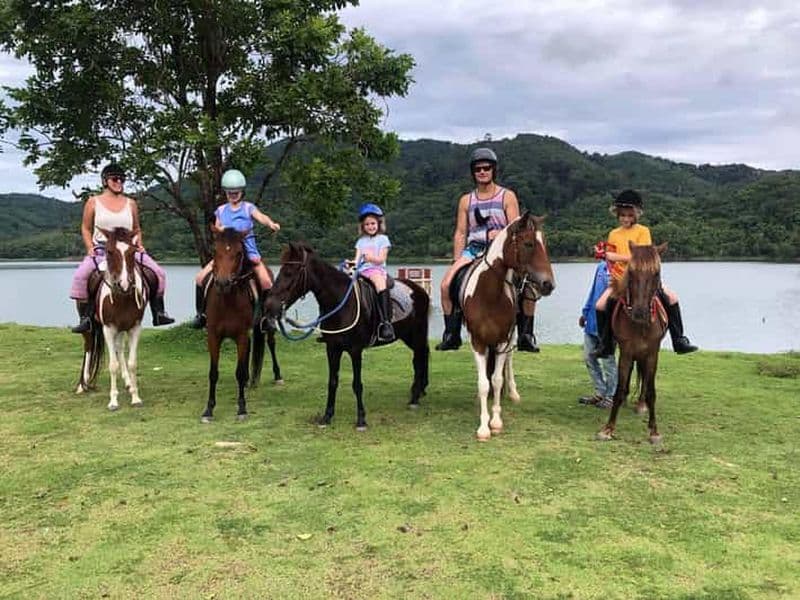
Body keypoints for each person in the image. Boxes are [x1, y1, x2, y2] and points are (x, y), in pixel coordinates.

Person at [437, 147, 539, 351]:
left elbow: (516, 228)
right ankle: (452, 333)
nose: (482, 172)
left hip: (501, 251)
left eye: (486, 168)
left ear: (494, 170)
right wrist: (457, 259)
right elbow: (460, 232)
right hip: (474, 249)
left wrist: (500, 235)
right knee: (446, 285)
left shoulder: (507, 196)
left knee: (529, 285)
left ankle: (526, 335)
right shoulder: (466, 200)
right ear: (473, 172)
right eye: (478, 169)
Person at [69, 163, 174, 333]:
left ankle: (159, 312)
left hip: (128, 250)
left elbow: (137, 229)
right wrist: (89, 247)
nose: (119, 182)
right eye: (115, 179)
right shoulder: (93, 202)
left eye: (122, 179)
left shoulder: (131, 203)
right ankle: (86, 318)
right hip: (103, 250)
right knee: (80, 277)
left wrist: (139, 243)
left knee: (159, 273)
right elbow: (86, 228)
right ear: (105, 181)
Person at [594, 189, 698, 356]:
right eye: (622, 215)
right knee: (600, 305)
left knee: (672, 298)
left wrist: (617, 256)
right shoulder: (613, 234)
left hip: (644, 278)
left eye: (629, 215)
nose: (626, 219)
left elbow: (644, 257)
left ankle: (678, 340)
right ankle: (605, 344)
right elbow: (609, 257)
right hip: (621, 279)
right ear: (618, 215)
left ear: (636, 215)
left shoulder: (643, 231)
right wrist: (611, 256)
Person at [190, 169, 280, 329]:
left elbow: (261, 217)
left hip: (249, 253)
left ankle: (267, 318)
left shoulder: (248, 208)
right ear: (226, 192)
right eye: (230, 192)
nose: (233, 195)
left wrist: (271, 223)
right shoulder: (221, 210)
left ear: (241, 192)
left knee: (266, 282)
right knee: (199, 278)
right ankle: (201, 315)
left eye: (236, 192)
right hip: (226, 255)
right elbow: (217, 229)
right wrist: (220, 229)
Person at [578, 256, 618, 408]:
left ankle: (611, 396)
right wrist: (585, 312)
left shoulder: (622, 269)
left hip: (609, 325)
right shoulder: (601, 267)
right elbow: (593, 290)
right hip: (592, 321)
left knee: (608, 361)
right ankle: (600, 391)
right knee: (589, 357)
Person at [354, 203, 395, 342]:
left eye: (373, 223)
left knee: (379, 283)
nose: (370, 227)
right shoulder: (360, 242)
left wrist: (370, 258)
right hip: (362, 270)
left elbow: (381, 259)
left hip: (376, 269)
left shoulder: (383, 240)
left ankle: (385, 322)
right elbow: (357, 259)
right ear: (363, 226)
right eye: (367, 224)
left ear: (378, 223)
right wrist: (351, 264)